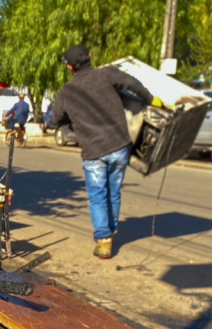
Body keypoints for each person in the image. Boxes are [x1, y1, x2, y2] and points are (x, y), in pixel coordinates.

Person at [51, 45, 163, 259]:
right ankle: (111, 230)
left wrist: (71, 119)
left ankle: (104, 240)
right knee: (113, 191)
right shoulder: (107, 74)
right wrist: (150, 99)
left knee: (97, 196)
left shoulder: (67, 91)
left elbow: (56, 119)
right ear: (90, 57)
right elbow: (132, 83)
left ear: (69, 67)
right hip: (120, 146)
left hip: (94, 151)